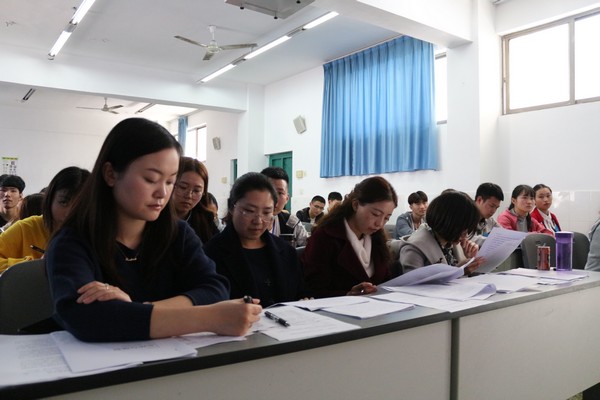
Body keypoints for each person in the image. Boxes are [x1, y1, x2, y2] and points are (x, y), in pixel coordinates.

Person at [45, 118, 261, 342]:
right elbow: (84, 317)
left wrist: (138, 308)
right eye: (151, 179)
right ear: (110, 174)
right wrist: (209, 318)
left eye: (170, 182)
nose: (162, 193)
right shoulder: (71, 242)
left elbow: (214, 288)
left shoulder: (178, 233)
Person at [204, 173, 305, 307]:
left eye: (266, 212)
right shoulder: (211, 254)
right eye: (249, 211)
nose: (258, 221)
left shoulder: (286, 252)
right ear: (232, 207)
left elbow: (300, 293)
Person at [302, 176, 397, 298]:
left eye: (386, 218)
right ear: (356, 205)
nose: (380, 224)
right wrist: (347, 295)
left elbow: (385, 279)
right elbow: (311, 289)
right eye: (375, 214)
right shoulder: (325, 237)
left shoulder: (377, 239)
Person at [0, 167, 89, 273]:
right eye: (64, 202)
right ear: (50, 200)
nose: (70, 212)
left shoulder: (95, 234)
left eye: (80, 205)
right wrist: (33, 264)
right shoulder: (26, 228)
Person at [397, 191, 484, 274]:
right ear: (448, 223)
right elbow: (414, 282)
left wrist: (469, 260)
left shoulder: (451, 242)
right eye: (463, 229)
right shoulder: (415, 248)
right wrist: (459, 271)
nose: (465, 235)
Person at [172, 157, 219, 244]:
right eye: (183, 187)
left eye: (196, 191)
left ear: (203, 192)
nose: (188, 195)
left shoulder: (206, 220)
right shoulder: (152, 216)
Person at [260, 167, 308, 246]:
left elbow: (308, 246)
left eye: (280, 193)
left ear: (287, 198)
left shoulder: (291, 222)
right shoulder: (246, 222)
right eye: (269, 191)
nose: (274, 198)